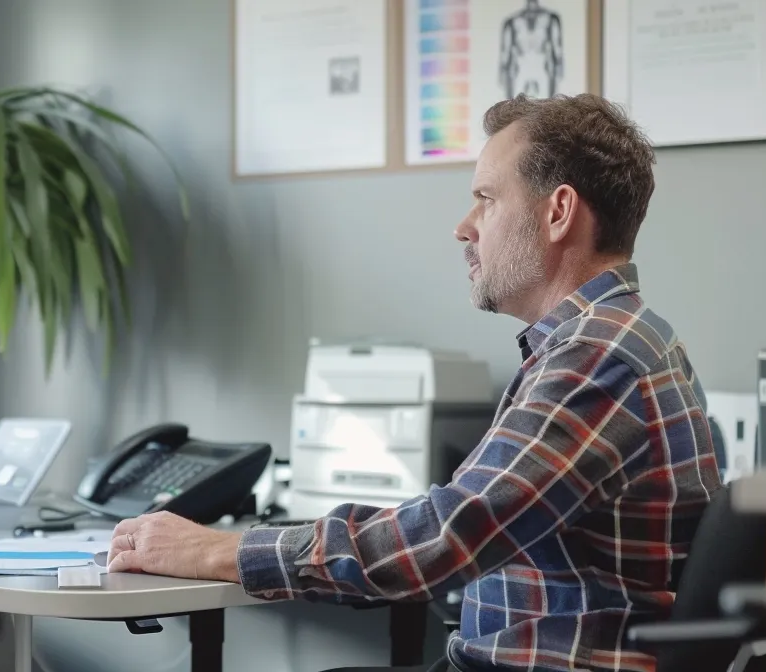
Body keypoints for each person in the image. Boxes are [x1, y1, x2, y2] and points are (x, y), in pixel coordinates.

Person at [108, 93, 717, 672]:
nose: (464, 226)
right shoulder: (611, 339)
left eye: (486, 198)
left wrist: (219, 550)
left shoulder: (596, 356)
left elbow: (446, 537)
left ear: (558, 212)